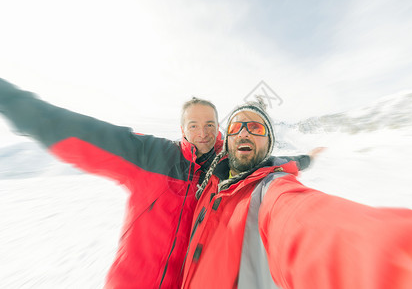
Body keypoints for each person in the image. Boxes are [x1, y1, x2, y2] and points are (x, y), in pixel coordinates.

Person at [0, 78, 317, 288]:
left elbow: (270, 163)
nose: (203, 132)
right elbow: (76, 130)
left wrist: (304, 160)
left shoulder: (227, 166)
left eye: (209, 124)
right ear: (182, 129)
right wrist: (13, 102)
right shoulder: (150, 155)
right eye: (194, 124)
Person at [181, 99, 412, 289]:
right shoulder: (212, 180)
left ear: (268, 143)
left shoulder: (269, 192)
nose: (244, 133)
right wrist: (307, 158)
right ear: (225, 139)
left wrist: (411, 263)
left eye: (256, 128)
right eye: (236, 127)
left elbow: (315, 228)